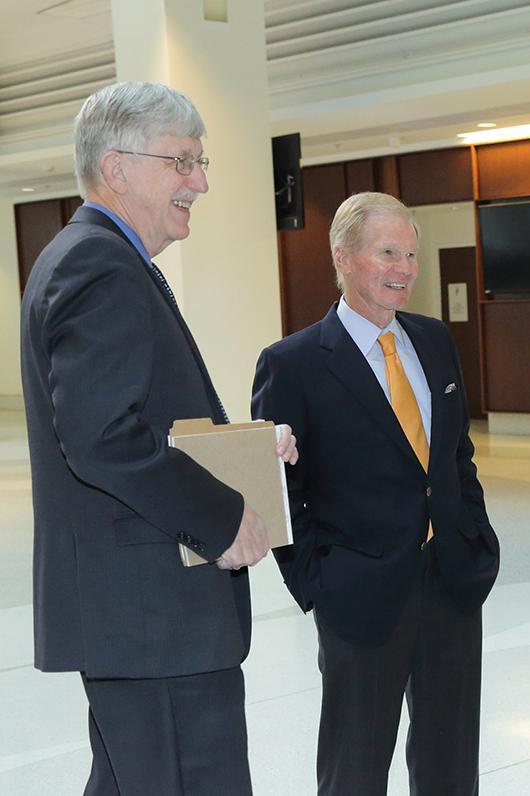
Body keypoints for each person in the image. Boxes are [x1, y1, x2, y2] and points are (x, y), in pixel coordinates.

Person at [19, 82, 297, 795]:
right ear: (117, 167)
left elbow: (136, 420)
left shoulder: (91, 257)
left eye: (199, 163)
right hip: (154, 621)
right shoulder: (99, 265)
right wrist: (220, 514)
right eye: (181, 162)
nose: (199, 182)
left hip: (138, 620)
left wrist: (243, 454)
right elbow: (103, 437)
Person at [251, 192, 499, 795]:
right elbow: (281, 489)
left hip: (450, 582)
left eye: (411, 254)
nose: (405, 269)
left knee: (450, 763)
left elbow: (456, 454)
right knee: (354, 769)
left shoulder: (434, 340)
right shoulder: (294, 363)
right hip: (358, 596)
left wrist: (474, 536)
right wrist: (317, 583)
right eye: (388, 252)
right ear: (344, 257)